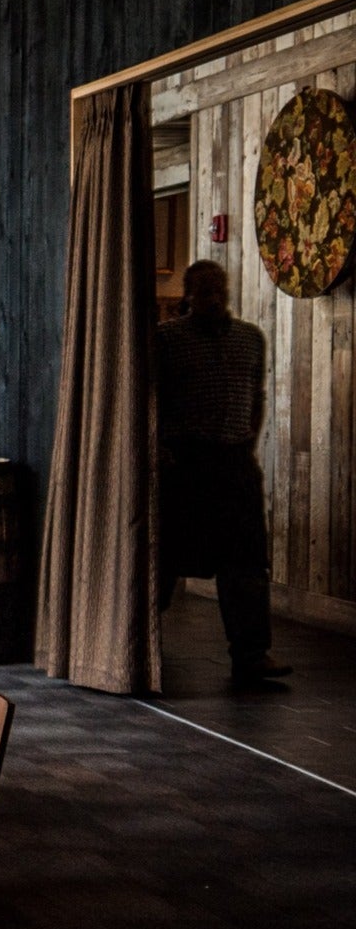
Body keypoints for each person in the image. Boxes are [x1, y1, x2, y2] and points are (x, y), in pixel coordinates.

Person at [156, 259, 291, 687]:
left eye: (220, 291)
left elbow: (257, 396)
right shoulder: (167, 340)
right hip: (186, 461)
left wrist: (247, 441)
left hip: (234, 460)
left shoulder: (250, 339)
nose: (214, 299)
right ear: (188, 297)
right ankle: (142, 639)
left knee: (248, 562)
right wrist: (161, 448)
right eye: (205, 292)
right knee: (164, 559)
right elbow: (153, 397)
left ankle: (252, 654)